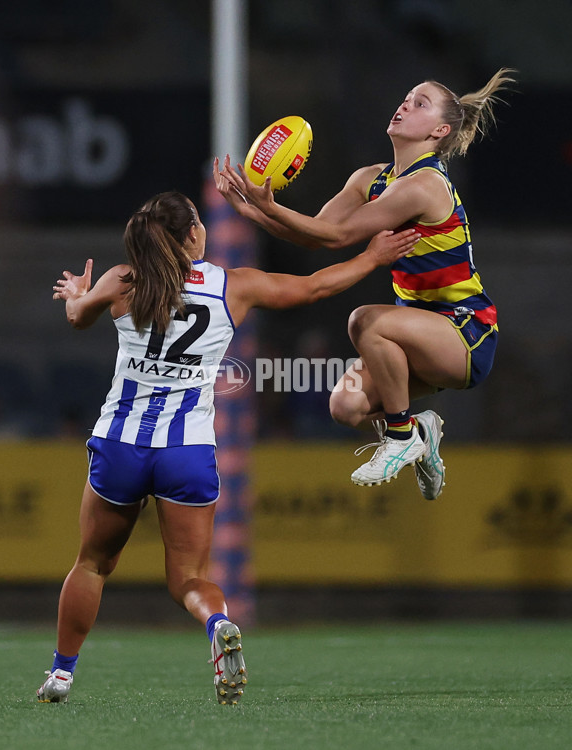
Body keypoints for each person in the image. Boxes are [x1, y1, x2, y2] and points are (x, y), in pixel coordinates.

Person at [36, 190, 420, 705]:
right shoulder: (230, 286)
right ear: (194, 232)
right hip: (187, 452)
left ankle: (61, 676)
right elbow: (313, 288)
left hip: (121, 443)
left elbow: (79, 316)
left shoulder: (123, 280)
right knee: (191, 578)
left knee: (92, 565)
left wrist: (80, 294)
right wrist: (372, 257)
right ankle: (217, 622)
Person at [215, 68, 515, 500]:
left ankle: (398, 438)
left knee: (365, 321)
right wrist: (254, 212)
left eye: (420, 103)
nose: (406, 103)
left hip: (465, 333)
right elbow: (316, 233)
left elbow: (340, 237)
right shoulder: (369, 178)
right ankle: (417, 429)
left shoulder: (426, 186)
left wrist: (269, 208)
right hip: (412, 336)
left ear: (439, 131)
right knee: (345, 405)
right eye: (408, 95)